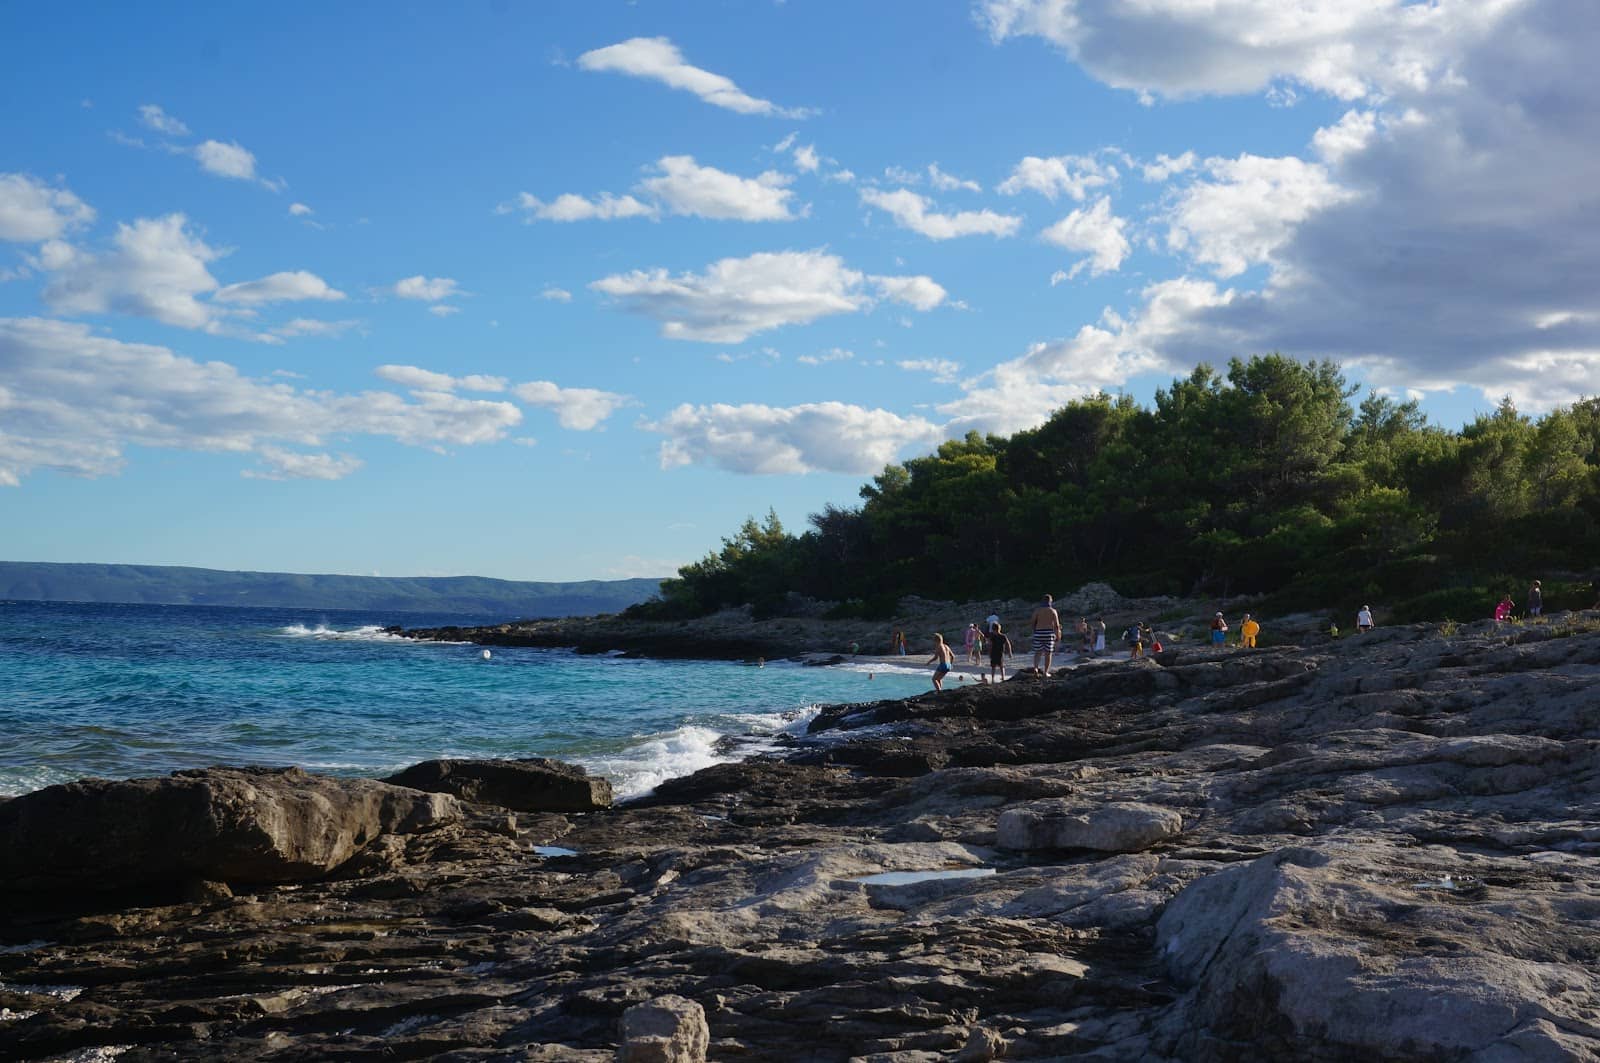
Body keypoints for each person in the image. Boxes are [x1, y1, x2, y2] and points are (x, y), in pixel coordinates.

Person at [1030, 594, 1063, 678]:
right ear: (1050, 601)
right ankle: (1045, 672)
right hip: (1049, 633)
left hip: (1038, 632)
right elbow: (1057, 625)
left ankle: (1036, 668)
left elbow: (1033, 622)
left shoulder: (1037, 610)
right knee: (1048, 654)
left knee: (1038, 653)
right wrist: (1058, 635)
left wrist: (1035, 631)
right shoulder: (1053, 611)